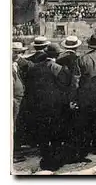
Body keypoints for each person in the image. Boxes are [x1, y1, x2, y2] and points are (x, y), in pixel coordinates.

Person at [19, 43, 72, 171]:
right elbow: (66, 87)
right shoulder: (60, 69)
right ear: (58, 55)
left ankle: (45, 155)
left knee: (42, 131)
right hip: (55, 106)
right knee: (55, 131)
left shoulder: (34, 68)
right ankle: (54, 159)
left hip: (38, 105)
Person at [12, 42, 28, 163]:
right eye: (15, 52)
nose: (18, 55)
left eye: (20, 52)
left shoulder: (17, 64)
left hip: (18, 98)